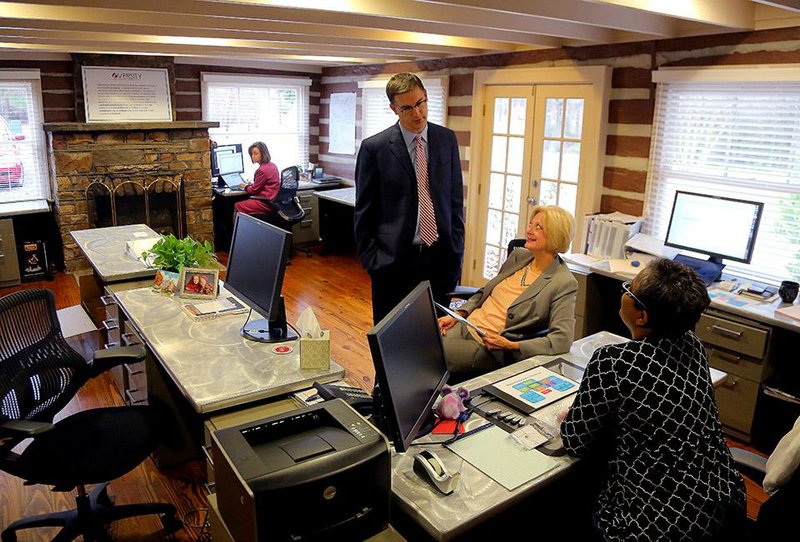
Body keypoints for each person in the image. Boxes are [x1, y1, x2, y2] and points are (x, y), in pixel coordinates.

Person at [560, 258, 746, 542]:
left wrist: (568, 416)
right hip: (722, 500)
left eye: (628, 290)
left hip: (654, 524)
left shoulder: (613, 362)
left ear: (641, 315)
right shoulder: (693, 345)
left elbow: (575, 439)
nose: (623, 293)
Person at [354, 73, 465, 324]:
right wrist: (374, 262)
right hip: (393, 263)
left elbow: (455, 201)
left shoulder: (446, 139)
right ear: (394, 108)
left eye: (421, 103)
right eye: (407, 108)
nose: (417, 114)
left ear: (425, 96)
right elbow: (364, 212)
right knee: (392, 339)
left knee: (435, 338)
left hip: (440, 259)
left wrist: (456, 251)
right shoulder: (375, 148)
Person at [437, 206, 577, 375]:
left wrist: (511, 346)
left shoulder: (563, 282)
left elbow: (562, 340)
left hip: (488, 347)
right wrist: (459, 315)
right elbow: (484, 292)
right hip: (467, 325)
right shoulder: (519, 257)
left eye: (538, 227)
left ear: (555, 234)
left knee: (425, 355)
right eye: (530, 224)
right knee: (415, 340)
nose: (529, 230)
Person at [233, 141, 280, 218]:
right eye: (252, 154)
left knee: (237, 205)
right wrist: (250, 185)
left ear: (263, 153)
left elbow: (254, 190)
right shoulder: (272, 165)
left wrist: (245, 186)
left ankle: (237, 230)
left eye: (256, 153)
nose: (253, 156)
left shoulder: (262, 170)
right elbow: (262, 185)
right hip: (273, 201)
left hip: (265, 203)